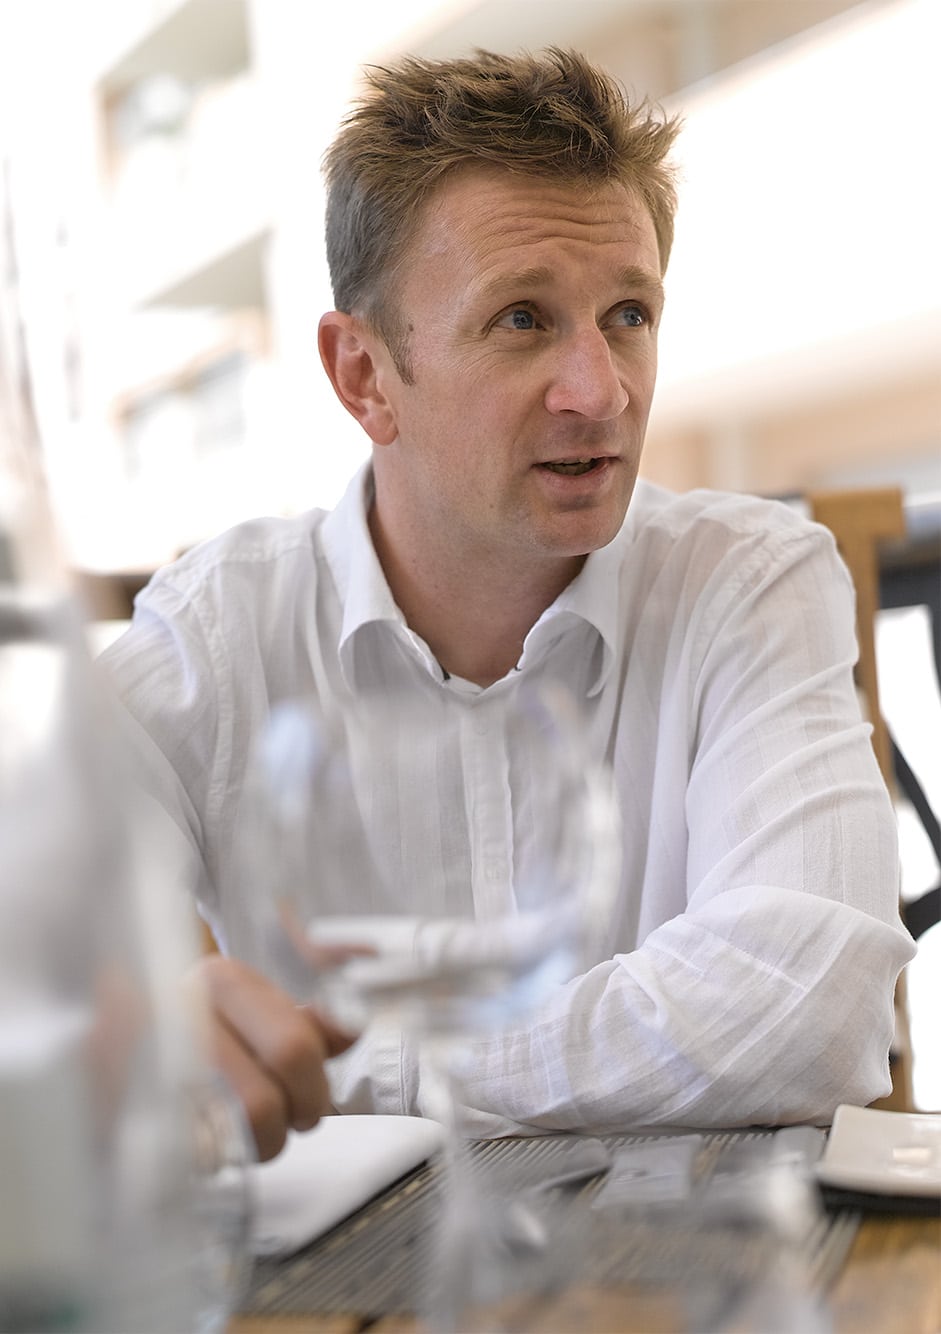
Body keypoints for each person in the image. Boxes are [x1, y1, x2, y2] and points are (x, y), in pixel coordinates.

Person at [100, 48, 914, 1160]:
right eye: (522, 319)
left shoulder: (750, 580)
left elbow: (807, 1010)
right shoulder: (216, 632)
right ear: (363, 375)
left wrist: (351, 1065)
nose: (601, 390)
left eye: (627, 314)